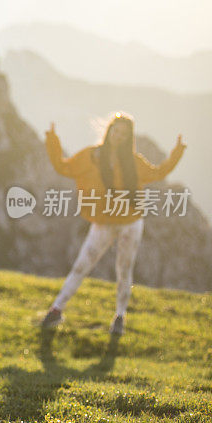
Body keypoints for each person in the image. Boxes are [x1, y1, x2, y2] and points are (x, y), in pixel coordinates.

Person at [40, 112, 186, 334]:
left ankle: (120, 316)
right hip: (103, 222)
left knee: (124, 269)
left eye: (124, 134)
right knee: (81, 265)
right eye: (116, 131)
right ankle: (56, 310)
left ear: (129, 138)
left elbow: (158, 172)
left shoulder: (134, 162)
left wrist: (176, 153)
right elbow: (63, 167)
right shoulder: (91, 156)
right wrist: (52, 140)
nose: (118, 137)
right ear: (109, 131)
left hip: (131, 222)